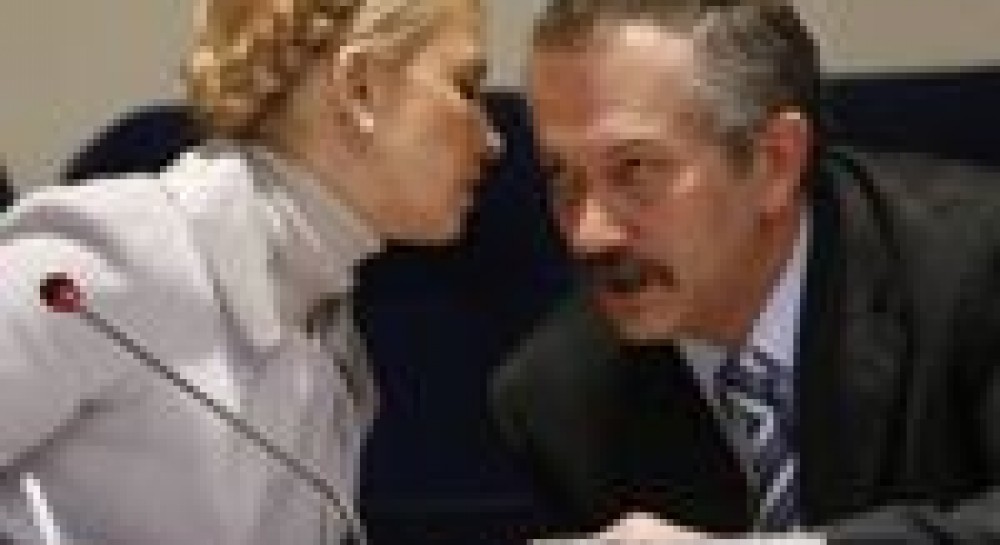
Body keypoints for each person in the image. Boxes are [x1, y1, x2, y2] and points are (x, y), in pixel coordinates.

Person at [490, 0, 1000, 542]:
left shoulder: (974, 264)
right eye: (561, 176)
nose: (588, 234)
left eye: (633, 169)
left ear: (775, 162)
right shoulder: (559, 401)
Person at [0, 0, 496, 543]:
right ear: (360, 89)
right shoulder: (108, 261)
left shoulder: (327, 330)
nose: (492, 141)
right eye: (466, 87)